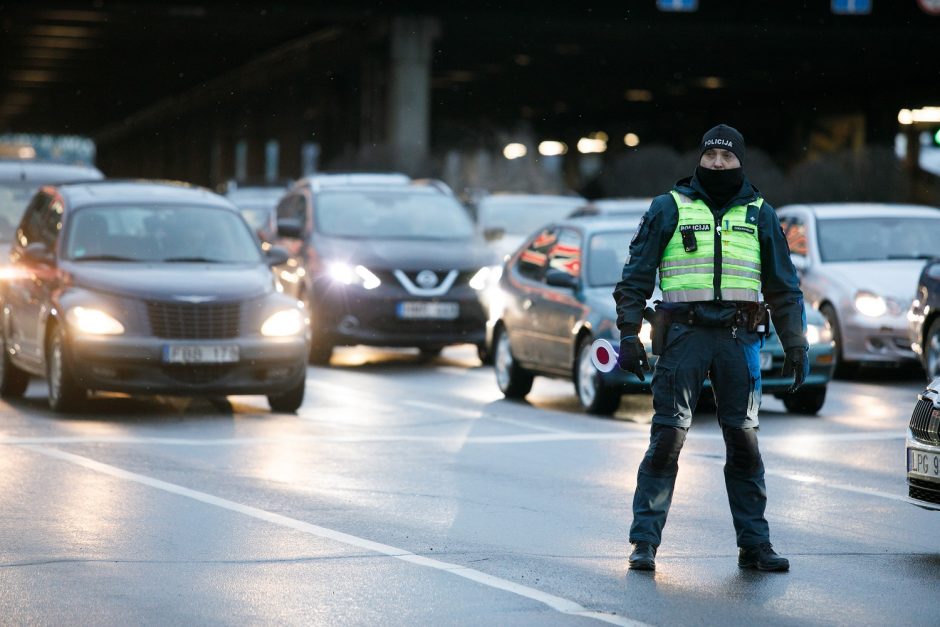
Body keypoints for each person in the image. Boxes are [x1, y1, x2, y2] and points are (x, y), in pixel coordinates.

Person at [613, 124, 808, 573]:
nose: (718, 163)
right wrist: (628, 334)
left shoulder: (760, 214)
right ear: (699, 160)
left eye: (727, 157)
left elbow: (784, 288)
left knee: (743, 444)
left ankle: (755, 546)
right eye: (711, 156)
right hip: (683, 338)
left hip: (739, 340)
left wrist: (795, 343)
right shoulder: (668, 208)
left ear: (741, 161)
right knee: (667, 439)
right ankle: (644, 543)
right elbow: (635, 278)